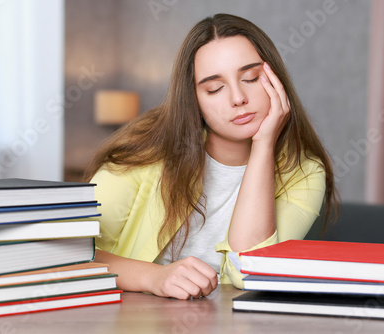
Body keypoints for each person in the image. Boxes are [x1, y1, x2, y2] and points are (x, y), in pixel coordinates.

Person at [84, 13, 339, 300]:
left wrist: (264, 145)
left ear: (276, 81)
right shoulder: (146, 151)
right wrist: (153, 277)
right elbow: (63, 250)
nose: (238, 98)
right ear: (194, 100)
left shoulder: (304, 172)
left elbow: (249, 270)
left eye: (251, 78)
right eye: (214, 88)